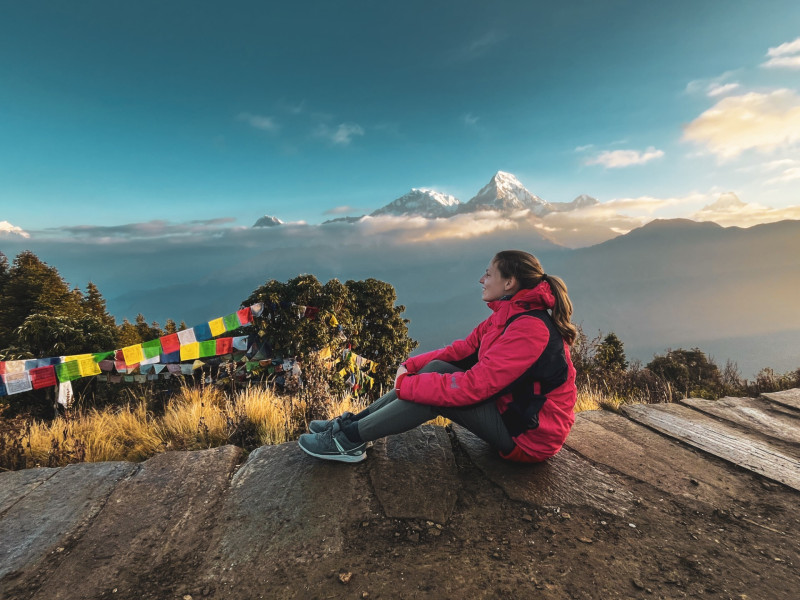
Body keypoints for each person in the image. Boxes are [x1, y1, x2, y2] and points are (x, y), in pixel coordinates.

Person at [298, 250, 578, 464]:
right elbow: (461, 350)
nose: (482, 279)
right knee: (437, 368)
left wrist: (408, 386)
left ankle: (348, 441)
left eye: (488, 274)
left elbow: (474, 387)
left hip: (530, 437)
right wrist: (410, 366)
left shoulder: (529, 330)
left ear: (509, 283)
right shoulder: (507, 316)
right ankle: (350, 425)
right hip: (512, 414)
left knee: (431, 394)